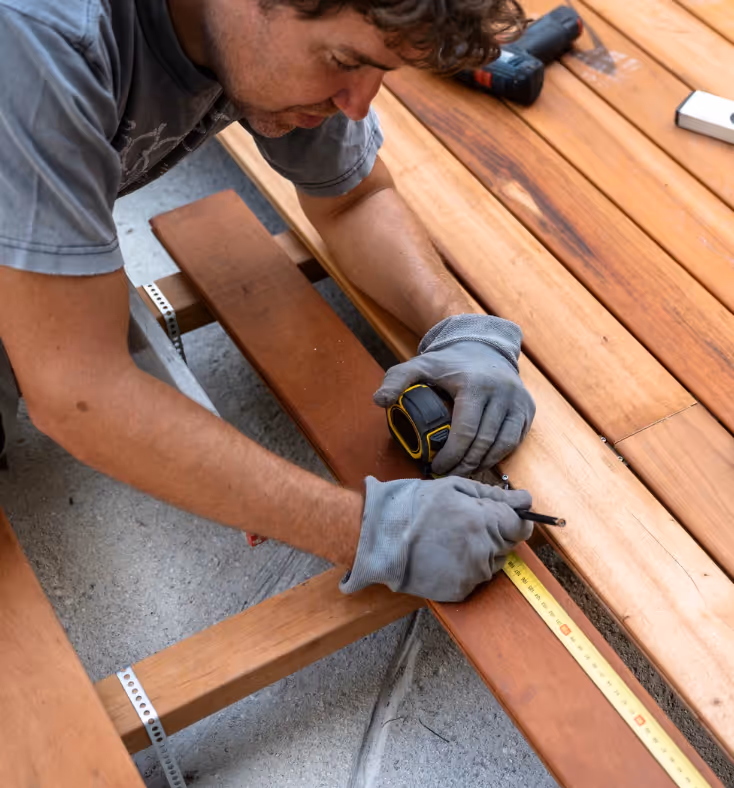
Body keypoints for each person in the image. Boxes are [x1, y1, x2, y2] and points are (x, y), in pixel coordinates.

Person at [0, 0, 536, 602]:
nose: (357, 104)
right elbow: (79, 393)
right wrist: (369, 530)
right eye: (344, 61)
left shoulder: (260, 40)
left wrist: (461, 327)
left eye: (380, 71)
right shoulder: (42, 39)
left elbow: (352, 201)